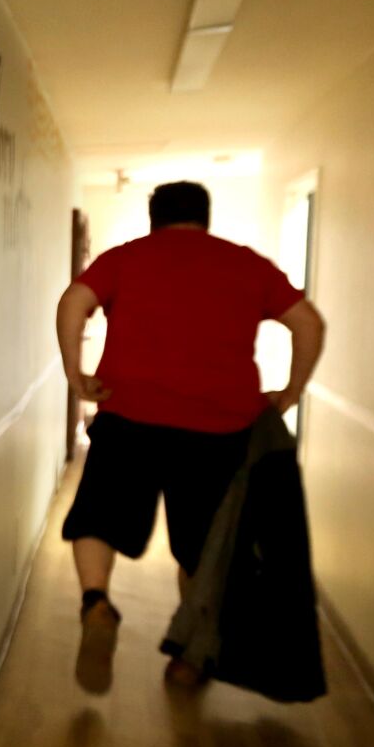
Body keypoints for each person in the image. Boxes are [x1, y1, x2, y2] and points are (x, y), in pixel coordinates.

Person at [55, 180, 326, 694]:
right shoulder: (246, 264)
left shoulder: (126, 258)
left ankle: (96, 604)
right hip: (218, 429)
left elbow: (74, 301)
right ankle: (189, 659)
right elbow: (308, 324)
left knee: (97, 515)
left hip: (129, 412)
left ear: (153, 217)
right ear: (205, 216)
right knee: (203, 547)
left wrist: (76, 373)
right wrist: (290, 392)